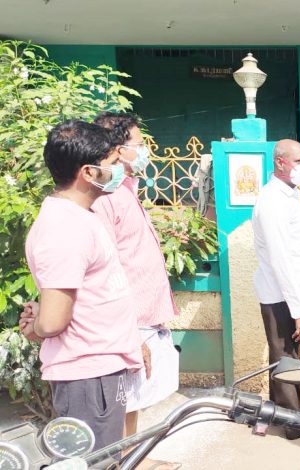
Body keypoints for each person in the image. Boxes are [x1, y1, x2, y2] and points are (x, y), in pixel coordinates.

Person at [20, 120, 143, 450]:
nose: (120, 169)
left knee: (107, 458)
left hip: (101, 370)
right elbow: (52, 322)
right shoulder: (64, 228)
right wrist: (37, 325)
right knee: (94, 462)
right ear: (88, 172)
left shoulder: (82, 216)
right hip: (87, 377)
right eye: (113, 162)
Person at [91, 112, 181, 469]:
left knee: (134, 399)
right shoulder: (104, 198)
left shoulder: (127, 188)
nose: (145, 151)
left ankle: (132, 457)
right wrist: (127, 330)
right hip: (128, 317)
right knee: (122, 399)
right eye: (140, 144)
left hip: (144, 315)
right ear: (117, 149)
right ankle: (122, 460)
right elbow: (105, 268)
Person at [251, 139, 300, 440]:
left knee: (285, 355)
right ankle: (294, 423)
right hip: (281, 295)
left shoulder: (288, 195)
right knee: (286, 357)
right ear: (280, 162)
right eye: (298, 161)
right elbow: (280, 260)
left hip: (289, 294)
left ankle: (280, 413)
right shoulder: (273, 201)